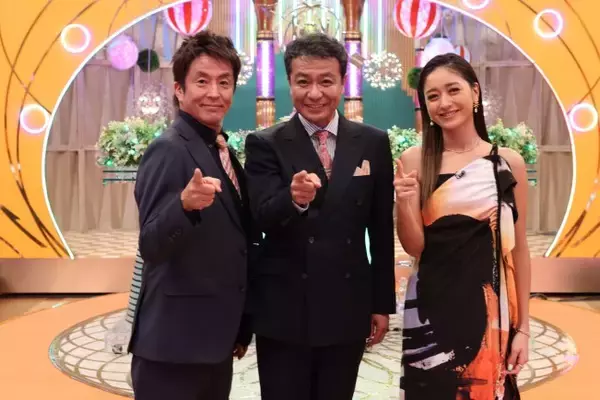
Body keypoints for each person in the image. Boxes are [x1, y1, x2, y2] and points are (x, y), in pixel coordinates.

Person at [244, 33, 396, 400]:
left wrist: (381, 304)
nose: (315, 93)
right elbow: (258, 219)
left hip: (347, 303)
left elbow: (380, 229)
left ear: (343, 82)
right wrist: (292, 200)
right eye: (303, 82)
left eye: (326, 81)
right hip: (284, 307)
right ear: (289, 82)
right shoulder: (265, 143)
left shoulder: (373, 142)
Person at [129, 31, 259, 400]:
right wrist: (183, 206)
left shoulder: (220, 149)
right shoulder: (169, 149)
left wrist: (241, 323)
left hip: (211, 342)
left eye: (224, 82)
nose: (214, 93)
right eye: (202, 81)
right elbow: (151, 244)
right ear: (179, 90)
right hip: (173, 348)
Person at [396, 53, 530, 399]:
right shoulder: (414, 160)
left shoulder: (507, 163)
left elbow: (518, 252)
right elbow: (414, 247)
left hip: (490, 311)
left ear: (475, 92)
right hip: (430, 308)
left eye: (453, 90)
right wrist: (404, 202)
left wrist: (524, 328)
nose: (444, 103)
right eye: (433, 96)